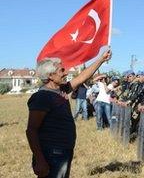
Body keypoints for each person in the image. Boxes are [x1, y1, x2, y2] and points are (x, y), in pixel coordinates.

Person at [26, 50, 111, 178]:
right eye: (61, 71)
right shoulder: (42, 97)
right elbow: (31, 130)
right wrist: (39, 159)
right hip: (52, 153)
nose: (65, 73)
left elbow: (83, 76)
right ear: (50, 75)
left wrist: (101, 59)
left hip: (63, 151)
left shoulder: (62, 89)